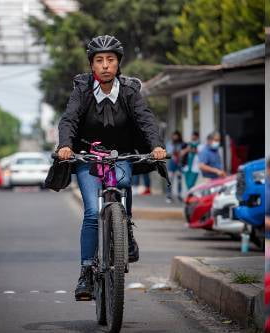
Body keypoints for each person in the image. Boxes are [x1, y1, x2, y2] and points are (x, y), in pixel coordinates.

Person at [54, 35, 167, 301]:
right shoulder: (81, 90)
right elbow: (68, 120)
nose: (105, 65)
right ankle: (86, 272)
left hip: (122, 155)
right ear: (92, 65)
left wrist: (157, 146)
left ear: (118, 64)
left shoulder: (129, 91)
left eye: (110, 60)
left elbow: (146, 120)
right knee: (92, 212)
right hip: (86, 158)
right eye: (99, 60)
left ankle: (124, 229)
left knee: (124, 185)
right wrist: (65, 146)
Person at [165, 131, 189, 203]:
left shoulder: (182, 144)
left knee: (179, 180)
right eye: (174, 136)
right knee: (170, 180)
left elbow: (188, 148)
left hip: (180, 163)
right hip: (172, 163)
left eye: (176, 136)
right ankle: (168, 195)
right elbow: (168, 152)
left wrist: (184, 151)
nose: (175, 137)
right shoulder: (170, 143)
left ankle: (179, 195)